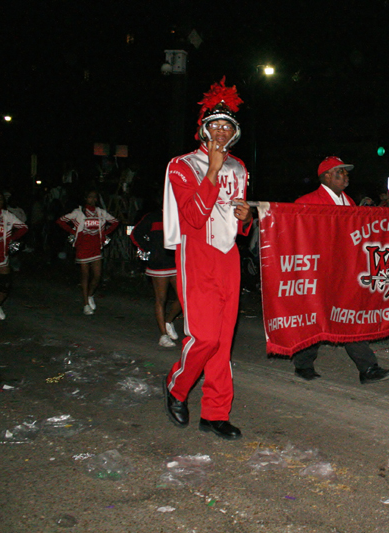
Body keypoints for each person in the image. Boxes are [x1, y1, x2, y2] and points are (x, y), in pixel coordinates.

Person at [162, 78, 252, 440]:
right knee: (205, 338)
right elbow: (194, 217)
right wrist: (212, 171)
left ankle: (215, 413)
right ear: (203, 129)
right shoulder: (181, 165)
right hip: (197, 252)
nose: (221, 131)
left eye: (227, 126)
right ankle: (177, 387)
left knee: (223, 341)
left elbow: (235, 219)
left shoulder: (240, 167)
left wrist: (247, 217)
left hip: (228, 256)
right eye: (215, 125)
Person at [290, 156, 389, 384]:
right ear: (327, 176)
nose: (346, 176)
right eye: (341, 172)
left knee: (349, 316)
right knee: (314, 318)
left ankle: (368, 369)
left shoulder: (348, 202)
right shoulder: (306, 202)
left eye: (347, 172)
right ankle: (303, 364)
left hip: (344, 272)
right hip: (319, 271)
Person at [57, 189, 119, 315]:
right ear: (86, 198)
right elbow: (61, 221)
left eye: (95, 197)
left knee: (97, 275)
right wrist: (74, 232)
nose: (93, 199)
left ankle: (90, 295)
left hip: (96, 247)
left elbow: (115, 222)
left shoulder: (100, 212)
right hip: (83, 247)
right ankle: (85, 304)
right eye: (90, 197)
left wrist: (104, 234)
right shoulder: (78, 212)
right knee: (85, 275)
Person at [130, 206, 182, 347]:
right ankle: (163, 336)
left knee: (183, 297)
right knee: (161, 299)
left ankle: (168, 321)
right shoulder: (152, 217)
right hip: (158, 264)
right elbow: (135, 234)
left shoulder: (180, 215)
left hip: (176, 262)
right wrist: (149, 248)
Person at [0, 190, 29, 320]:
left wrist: (11, 239)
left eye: (0, 199)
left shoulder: (7, 215)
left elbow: (23, 227)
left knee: (5, 285)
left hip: (1, 257)